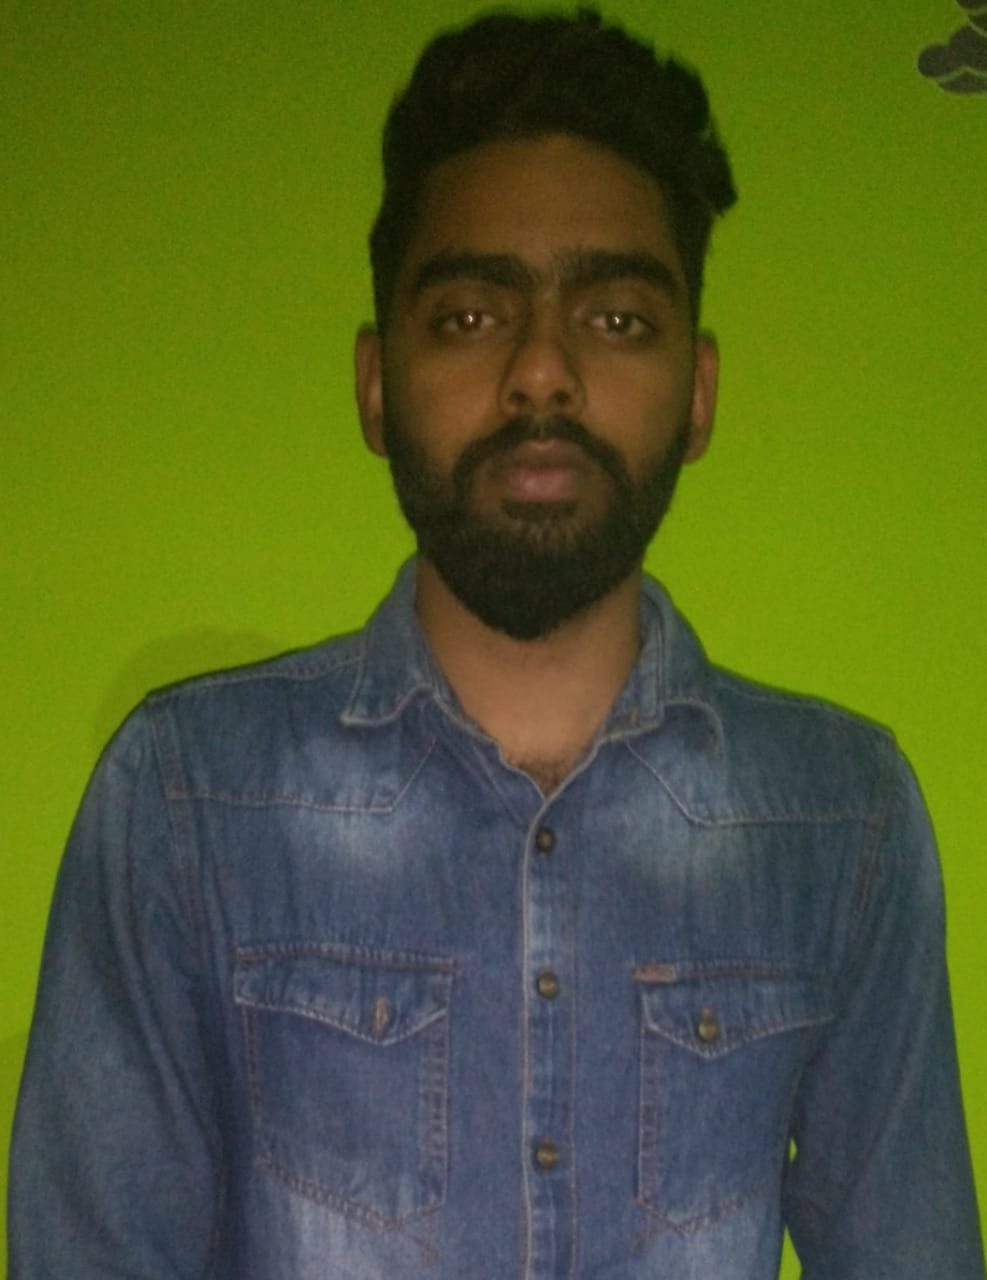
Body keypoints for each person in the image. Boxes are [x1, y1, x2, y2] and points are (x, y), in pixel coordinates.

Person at [9, 9, 984, 1279]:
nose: (540, 374)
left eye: (616, 319)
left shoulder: (841, 818)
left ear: (698, 392)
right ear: (375, 383)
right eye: (471, 315)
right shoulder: (187, 796)